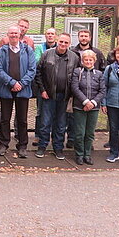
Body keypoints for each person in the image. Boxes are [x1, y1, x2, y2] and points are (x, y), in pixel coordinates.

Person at [35, 32, 79, 160]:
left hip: (65, 96)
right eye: (61, 41)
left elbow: (76, 76)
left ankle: (58, 148)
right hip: (48, 95)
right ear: (57, 41)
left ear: (69, 44)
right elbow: (38, 73)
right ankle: (42, 146)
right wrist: (42, 90)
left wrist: (72, 94)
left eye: (66, 42)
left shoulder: (74, 58)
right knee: (45, 122)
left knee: (61, 124)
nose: (63, 44)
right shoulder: (47, 54)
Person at [0, 25, 36, 158]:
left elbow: (32, 70)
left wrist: (21, 84)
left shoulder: (28, 50)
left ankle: (22, 146)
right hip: (7, 89)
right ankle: (3, 144)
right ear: (8, 35)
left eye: (15, 33)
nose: (13, 35)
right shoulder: (2, 51)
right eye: (11, 33)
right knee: (5, 119)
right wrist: (12, 83)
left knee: (22, 119)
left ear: (19, 35)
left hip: (23, 90)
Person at [70, 50, 106, 165]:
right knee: (79, 132)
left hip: (94, 108)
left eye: (91, 60)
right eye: (86, 60)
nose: (88, 62)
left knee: (90, 132)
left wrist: (93, 103)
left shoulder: (99, 74)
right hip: (79, 107)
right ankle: (79, 154)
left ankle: (87, 154)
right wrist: (85, 102)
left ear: (94, 61)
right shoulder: (77, 72)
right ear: (82, 61)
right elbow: (75, 88)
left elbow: (102, 90)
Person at [32, 27, 58, 145]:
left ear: (55, 36)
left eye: (52, 34)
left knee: (56, 113)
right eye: (48, 33)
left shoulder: (60, 47)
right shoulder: (40, 48)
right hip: (42, 85)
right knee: (40, 111)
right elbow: (37, 62)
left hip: (57, 86)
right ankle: (38, 135)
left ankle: (54, 136)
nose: (50, 35)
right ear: (45, 35)